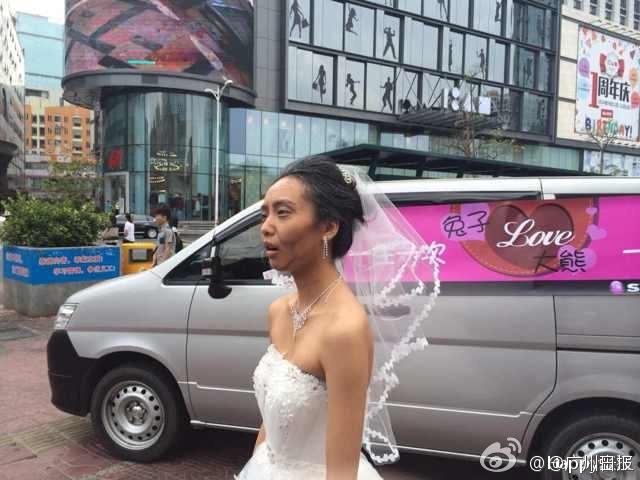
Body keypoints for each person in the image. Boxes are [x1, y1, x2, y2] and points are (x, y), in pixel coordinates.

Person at [235, 156, 443, 479]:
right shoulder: (279, 312)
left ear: (328, 227)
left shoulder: (344, 329)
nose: (266, 226)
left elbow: (343, 470)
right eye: (265, 214)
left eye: (283, 213)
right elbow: (271, 423)